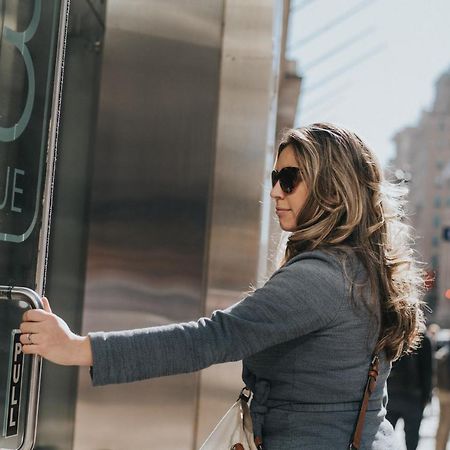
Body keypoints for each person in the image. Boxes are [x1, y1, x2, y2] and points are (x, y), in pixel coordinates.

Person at [20, 123, 425, 449]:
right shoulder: (364, 272)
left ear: (332, 190)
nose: (274, 192)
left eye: (289, 179)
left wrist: (75, 348)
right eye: (274, 177)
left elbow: (211, 338)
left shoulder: (320, 278)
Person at [386, 334, 433, 449]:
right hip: (413, 396)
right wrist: (426, 397)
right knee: (412, 440)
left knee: (385, 438)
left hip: (391, 394)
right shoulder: (423, 338)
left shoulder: (392, 334)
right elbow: (427, 371)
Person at [435, 341, 450, 450]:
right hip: (446, 391)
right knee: (444, 424)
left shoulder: (443, 351)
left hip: (442, 391)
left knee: (443, 423)